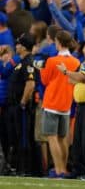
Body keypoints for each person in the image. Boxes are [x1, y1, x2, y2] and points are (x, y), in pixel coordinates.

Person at [57, 35, 85, 178]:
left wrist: (66, 72)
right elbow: (73, 79)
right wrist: (73, 75)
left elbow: (82, 78)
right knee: (77, 139)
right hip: (80, 106)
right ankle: (78, 169)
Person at [40, 30, 80, 178]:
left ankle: (58, 170)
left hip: (51, 102)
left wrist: (42, 68)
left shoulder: (52, 61)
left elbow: (44, 81)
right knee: (63, 138)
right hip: (67, 104)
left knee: (52, 137)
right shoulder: (76, 61)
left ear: (58, 42)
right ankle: (63, 169)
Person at [6, 33, 37, 175]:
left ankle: (25, 168)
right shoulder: (21, 62)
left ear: (23, 47)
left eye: (18, 44)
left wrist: (23, 102)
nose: (16, 46)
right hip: (14, 106)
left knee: (23, 137)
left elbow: (30, 84)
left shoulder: (28, 62)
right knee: (17, 137)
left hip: (22, 107)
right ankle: (18, 166)